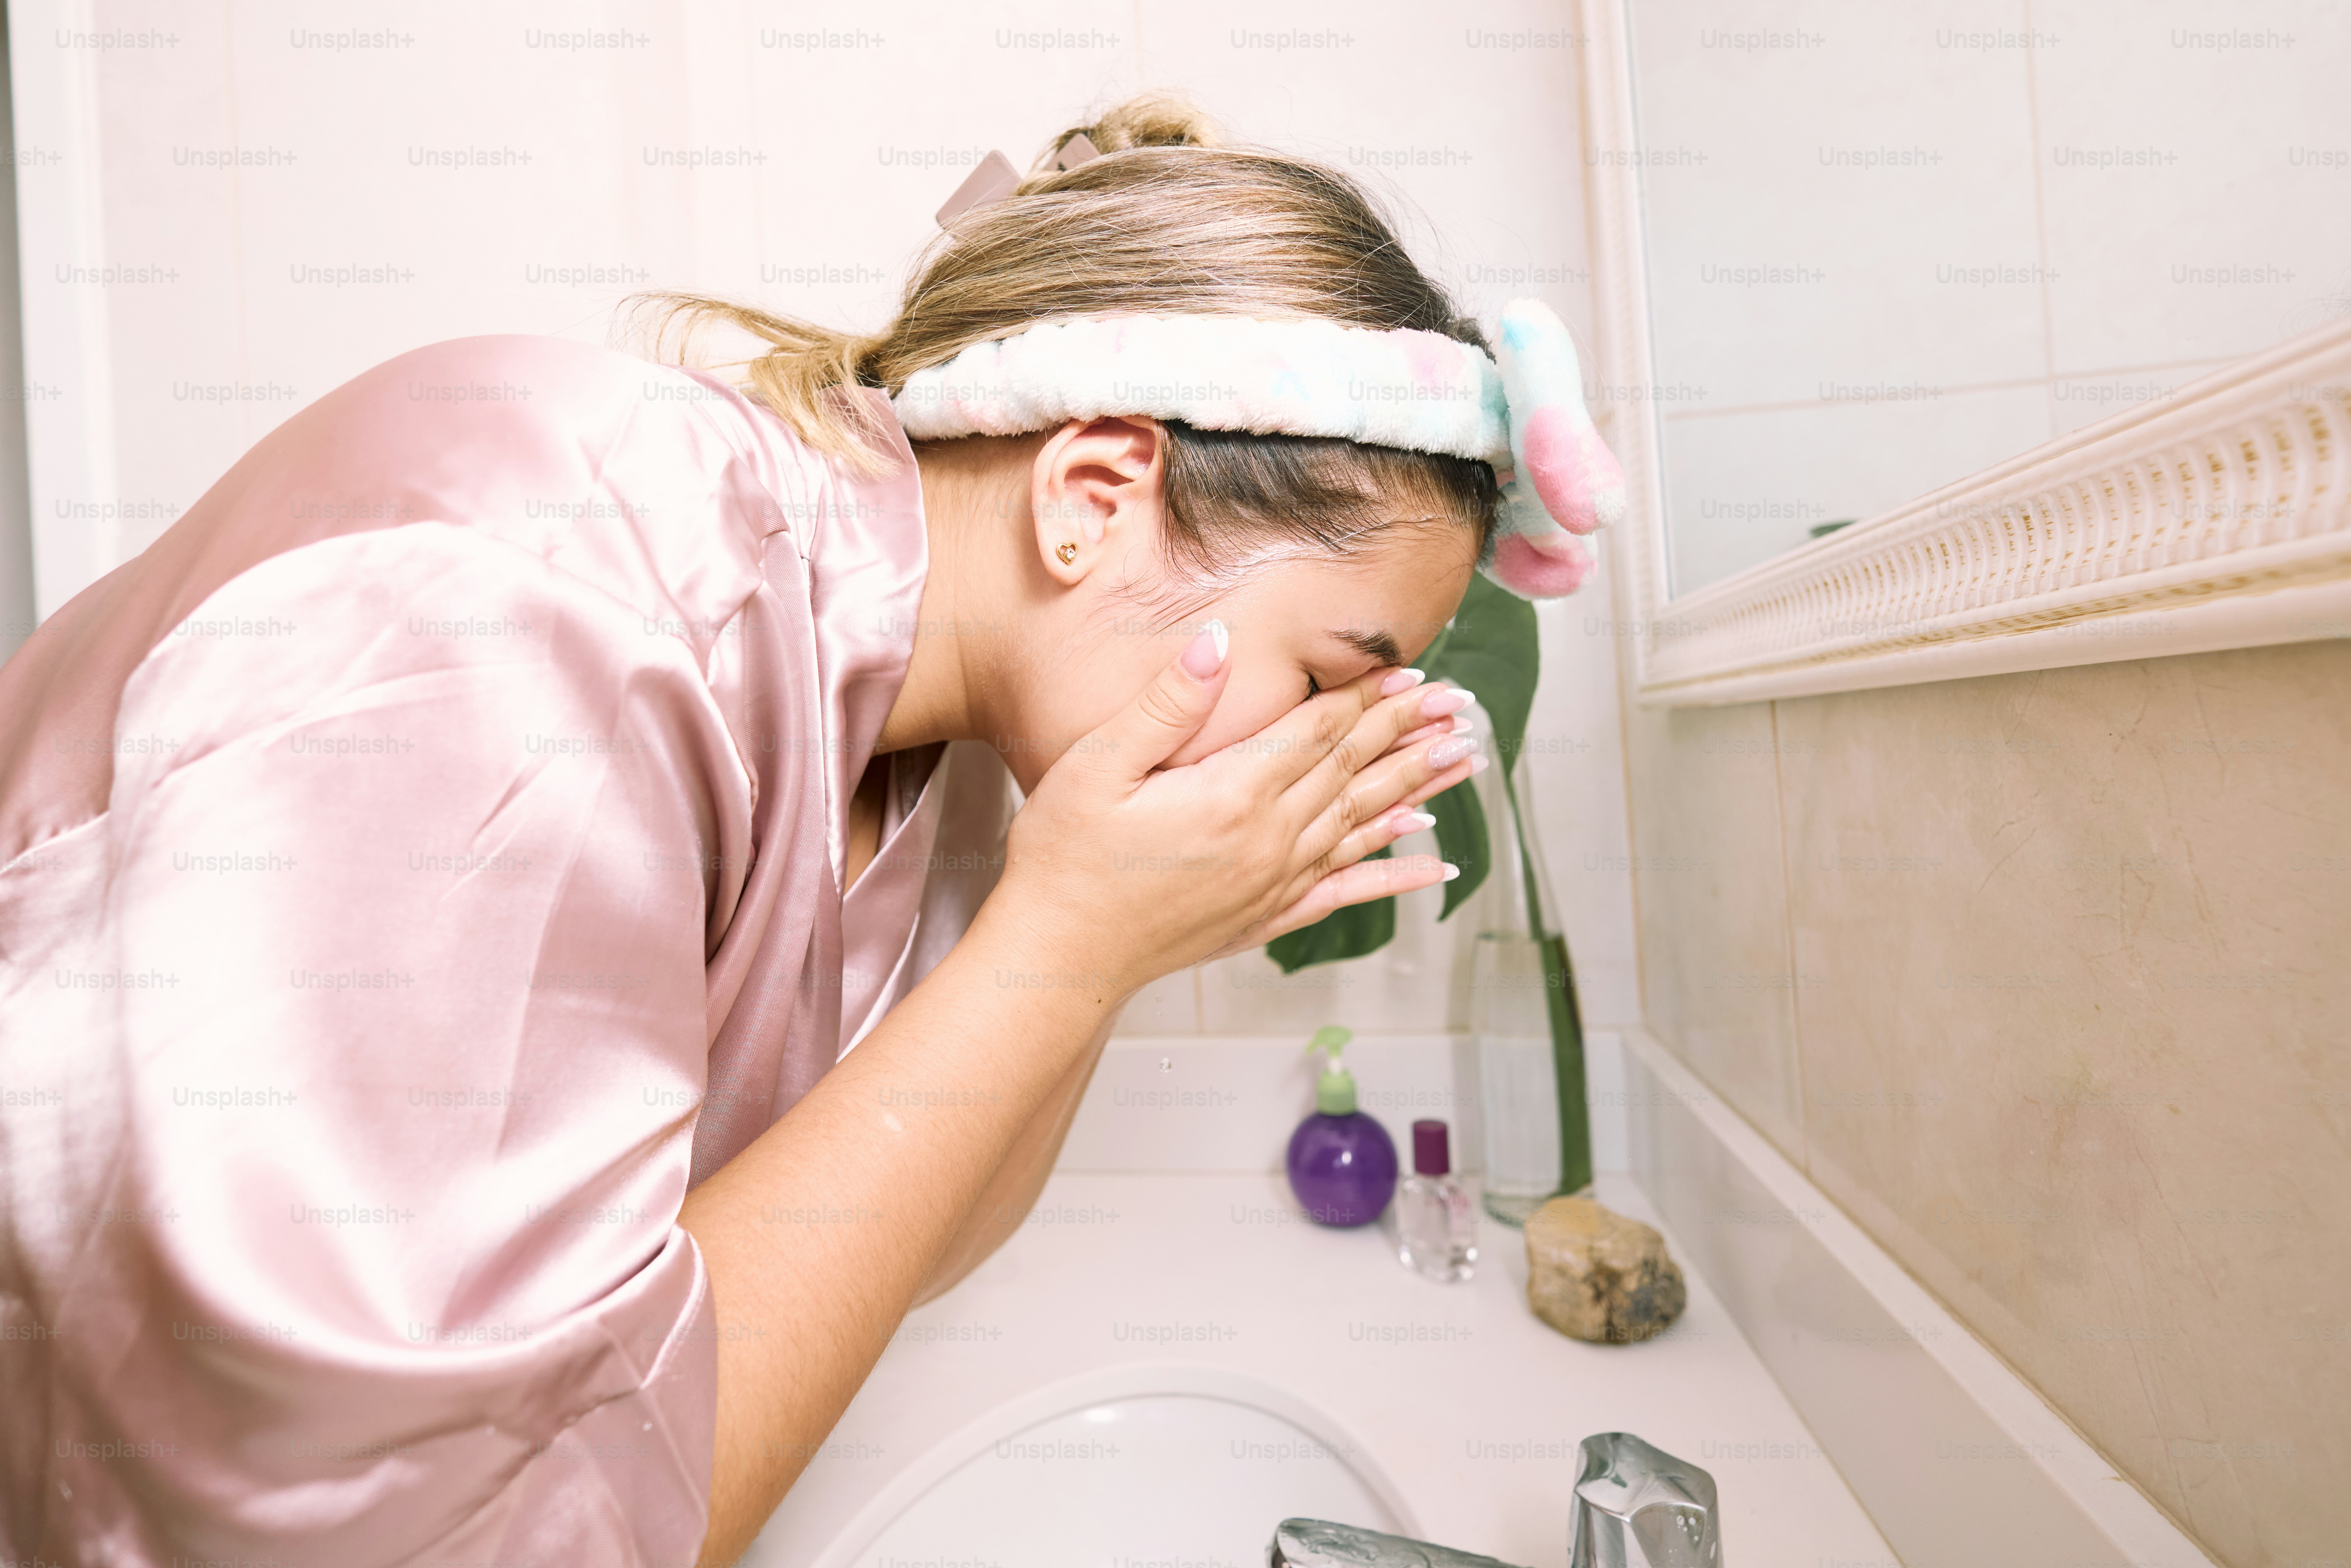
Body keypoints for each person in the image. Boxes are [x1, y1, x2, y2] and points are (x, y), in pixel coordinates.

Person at [0, 95, 1615, 1567]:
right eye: (1332, 677)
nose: (1336, 746)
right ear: (1094, 494)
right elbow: (443, 1523)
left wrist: (1106, 932)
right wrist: (1066, 946)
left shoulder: (956, 737)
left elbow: (901, 1240)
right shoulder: (542, 599)